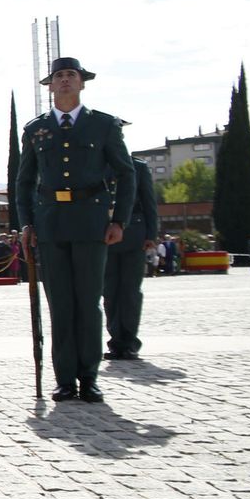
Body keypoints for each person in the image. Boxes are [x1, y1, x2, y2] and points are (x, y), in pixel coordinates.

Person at [16, 56, 135, 403]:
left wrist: (120, 220)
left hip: (90, 222)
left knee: (88, 302)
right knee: (61, 304)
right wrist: (27, 223)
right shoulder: (36, 129)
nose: (65, 80)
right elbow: (24, 182)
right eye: (59, 76)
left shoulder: (103, 126)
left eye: (72, 75)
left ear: (82, 83)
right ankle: (65, 378)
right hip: (50, 224)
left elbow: (126, 174)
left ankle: (89, 376)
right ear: (50, 86)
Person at [105, 151, 158, 361]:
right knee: (109, 292)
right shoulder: (95, 163)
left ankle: (129, 342)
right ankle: (115, 340)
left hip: (134, 234)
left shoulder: (138, 167)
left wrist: (151, 235)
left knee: (130, 291)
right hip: (104, 235)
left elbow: (149, 202)